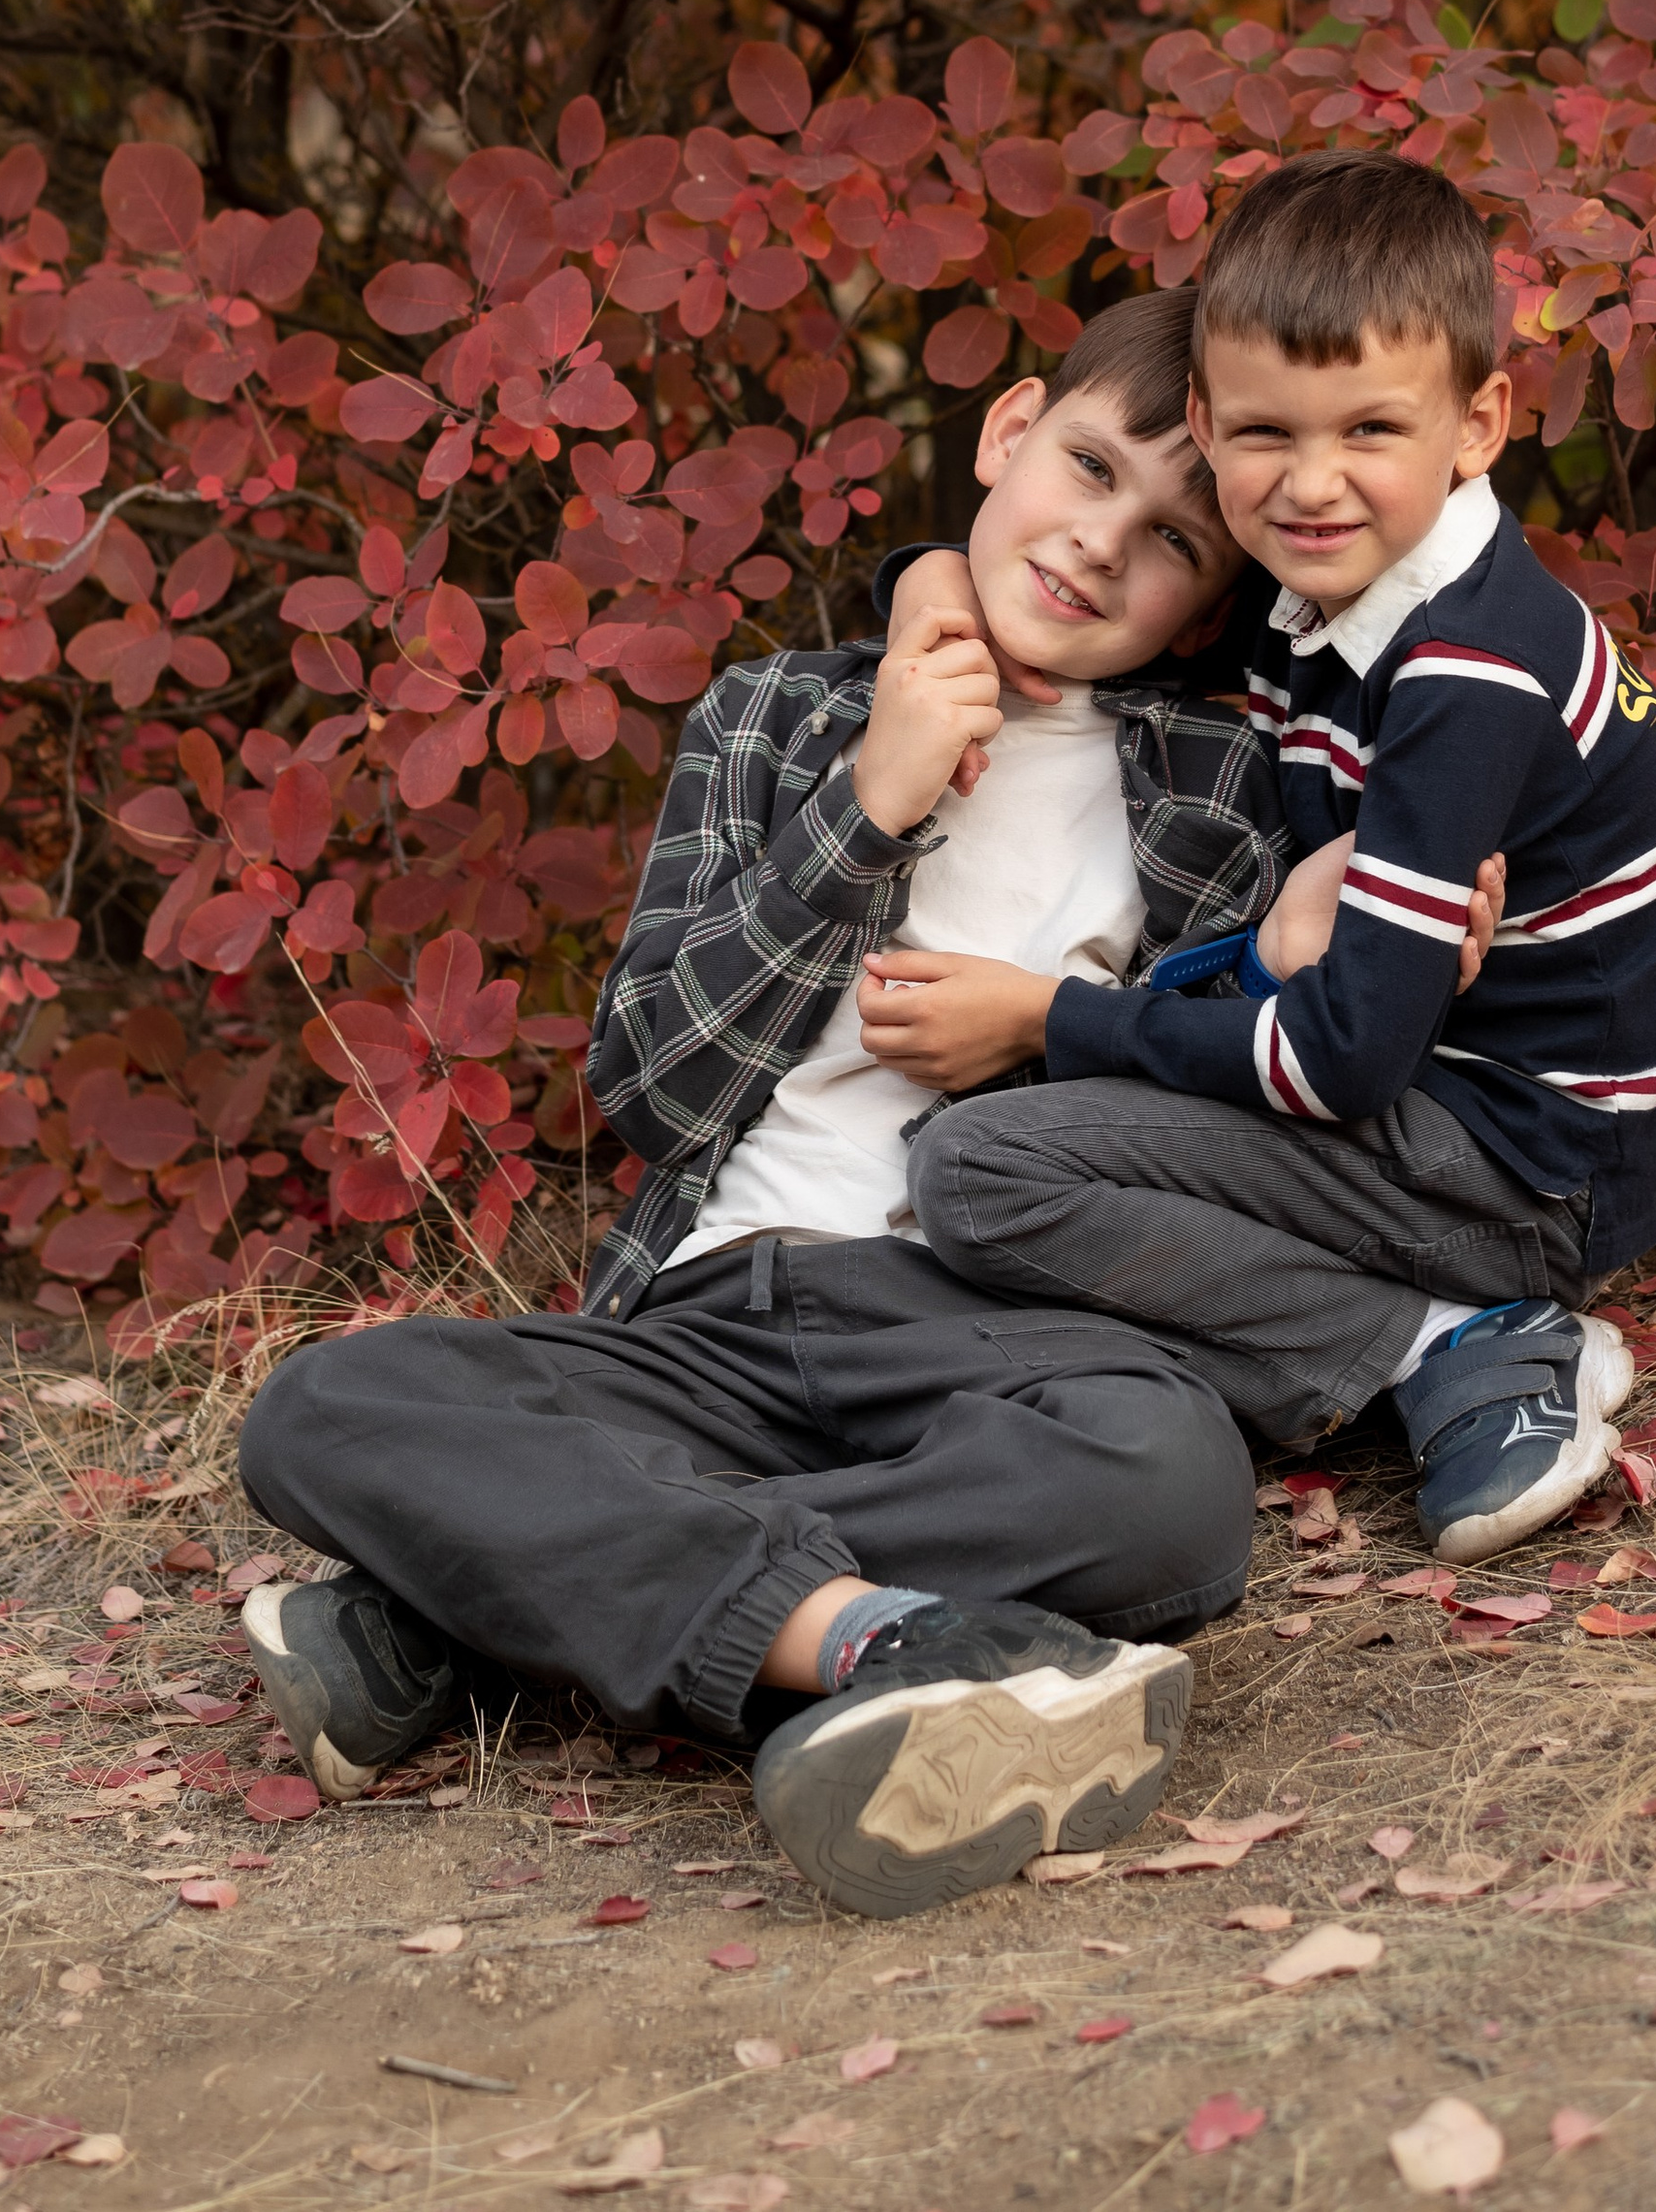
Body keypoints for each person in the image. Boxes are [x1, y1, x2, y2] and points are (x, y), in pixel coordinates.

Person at [237, 293, 1502, 1917]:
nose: (1105, 544)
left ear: (1208, 607)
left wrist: (1287, 956)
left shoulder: (1209, 777)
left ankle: (480, 1603)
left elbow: (1210, 1119)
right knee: (326, 1409)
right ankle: (882, 1639)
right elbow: (652, 1083)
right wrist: (871, 805)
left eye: (1176, 540)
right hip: (710, 1316)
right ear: (1006, 431)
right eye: (1089, 469)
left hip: (993, 1324)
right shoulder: (777, 719)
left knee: (1168, 1485)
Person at [886, 150, 1656, 1565]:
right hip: (1445, 1095)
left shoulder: (1468, 674)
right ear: (1205, 423)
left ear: (1479, 422)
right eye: (1263, 433)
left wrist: (1049, 1021)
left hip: (1529, 1162)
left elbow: (1337, 1064)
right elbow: (1070, 589)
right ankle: (1419, 1336)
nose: (1311, 484)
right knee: (1022, 1187)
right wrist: (929, 592)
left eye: (1370, 430)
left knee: (978, 1176)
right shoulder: (1326, 581)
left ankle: (1458, 1342)